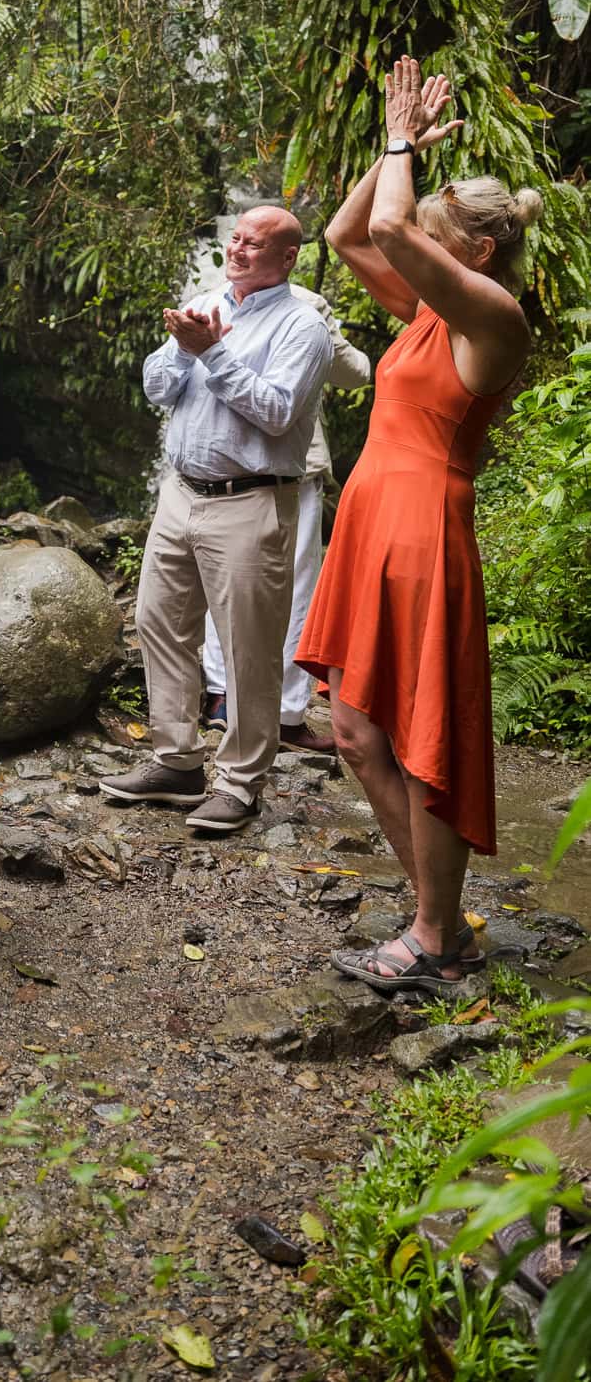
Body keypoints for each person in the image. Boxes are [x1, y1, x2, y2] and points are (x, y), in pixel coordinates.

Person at [300, 59, 536, 998]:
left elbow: (392, 228)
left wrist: (401, 142)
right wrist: (397, 151)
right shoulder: (429, 313)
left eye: (436, 244)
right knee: (356, 730)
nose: (412, 256)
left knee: (419, 741)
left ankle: (439, 934)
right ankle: (436, 917)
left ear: (475, 254)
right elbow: (352, 230)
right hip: (374, 525)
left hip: (424, 534)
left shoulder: (494, 321)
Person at [102, 207, 332, 834]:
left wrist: (215, 351)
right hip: (181, 494)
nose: (239, 249)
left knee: (249, 649)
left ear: (287, 259)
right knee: (160, 622)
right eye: (236, 238)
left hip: (251, 499)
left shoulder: (302, 327)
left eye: (256, 245)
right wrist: (183, 351)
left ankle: (240, 782)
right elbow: (156, 388)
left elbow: (278, 412)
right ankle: (176, 761)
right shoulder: (206, 300)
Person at [199, 282, 371, 754]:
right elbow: (357, 372)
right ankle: (286, 715)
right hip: (288, 467)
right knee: (294, 588)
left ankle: (219, 698)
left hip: (219, 462)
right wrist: (330, 336)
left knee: (222, 583)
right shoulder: (308, 305)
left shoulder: (209, 297)